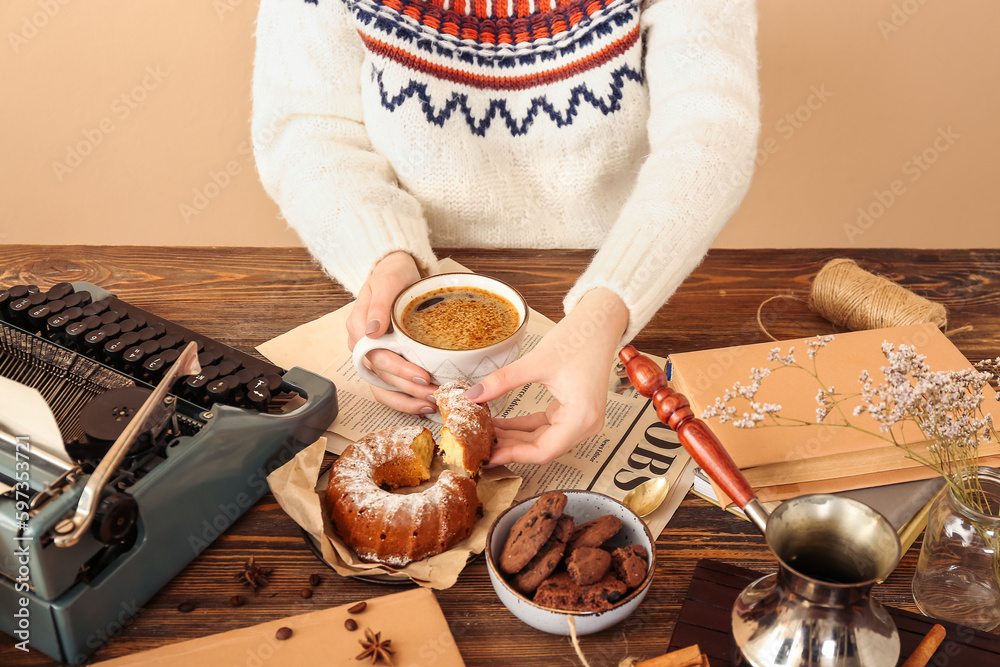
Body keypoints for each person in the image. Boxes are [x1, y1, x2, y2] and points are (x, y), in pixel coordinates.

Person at [251, 0, 760, 466]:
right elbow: (308, 127)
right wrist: (384, 256)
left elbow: (710, 127)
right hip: (416, 269)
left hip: (621, 282)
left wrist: (606, 310)